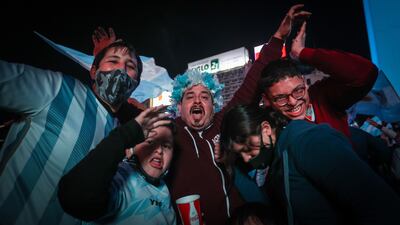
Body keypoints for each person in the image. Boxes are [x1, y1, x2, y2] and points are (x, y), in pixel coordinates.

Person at [165, 5, 311, 225]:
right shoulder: (169, 131)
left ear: (214, 105)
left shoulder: (223, 123)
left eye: (204, 96)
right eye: (189, 97)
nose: (197, 100)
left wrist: (279, 37)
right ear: (179, 106)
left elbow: (251, 84)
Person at [0, 28, 143, 225]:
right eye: (112, 61)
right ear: (94, 71)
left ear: (135, 83)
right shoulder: (58, 89)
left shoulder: (122, 135)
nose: (121, 70)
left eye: (130, 66)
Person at [220, 104, 400, 225]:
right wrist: (230, 165)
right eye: (239, 154)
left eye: (248, 148)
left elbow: (378, 205)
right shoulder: (278, 159)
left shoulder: (308, 142)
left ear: (266, 129)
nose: (245, 158)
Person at [259, 21, 378, 139]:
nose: (293, 102)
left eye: (298, 90)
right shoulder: (268, 129)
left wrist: (301, 53)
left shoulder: (322, 98)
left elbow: (366, 73)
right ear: (267, 100)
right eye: (281, 98)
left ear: (305, 83)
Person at [58, 105, 176, 224]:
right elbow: (76, 199)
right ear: (132, 147)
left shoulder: (164, 189)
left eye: (166, 146)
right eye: (150, 142)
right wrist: (128, 134)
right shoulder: (122, 177)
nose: (160, 151)